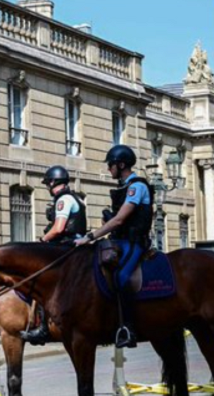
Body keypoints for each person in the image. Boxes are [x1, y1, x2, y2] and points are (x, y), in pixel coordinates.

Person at [75, 145, 154, 348]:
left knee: (121, 276)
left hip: (134, 242)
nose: (109, 169)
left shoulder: (137, 186)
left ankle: (128, 328)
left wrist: (90, 236)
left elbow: (120, 220)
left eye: (111, 165)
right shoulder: (123, 187)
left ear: (121, 165)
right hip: (120, 241)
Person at [21, 165, 88, 345]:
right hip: (74, 244)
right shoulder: (75, 198)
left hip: (66, 246)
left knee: (41, 278)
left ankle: (43, 327)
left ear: (53, 182)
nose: (48, 188)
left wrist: (42, 241)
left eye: (48, 184)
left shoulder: (63, 200)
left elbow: (58, 228)